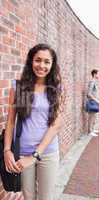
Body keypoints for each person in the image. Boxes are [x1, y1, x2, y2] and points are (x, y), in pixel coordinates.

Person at [4, 43, 63, 200]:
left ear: (52, 64)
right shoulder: (19, 88)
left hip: (47, 153)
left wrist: (35, 155)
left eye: (46, 62)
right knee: (28, 197)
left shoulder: (56, 89)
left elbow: (56, 125)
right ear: (31, 61)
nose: (41, 65)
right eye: (38, 60)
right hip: (22, 152)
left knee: (46, 197)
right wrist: (7, 150)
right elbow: (10, 122)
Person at [87, 69, 99, 137]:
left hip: (95, 102)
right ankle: (90, 131)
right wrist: (96, 100)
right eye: (98, 74)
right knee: (91, 117)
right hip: (92, 102)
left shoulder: (95, 82)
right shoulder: (92, 82)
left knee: (94, 116)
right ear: (94, 74)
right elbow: (88, 94)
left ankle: (92, 129)